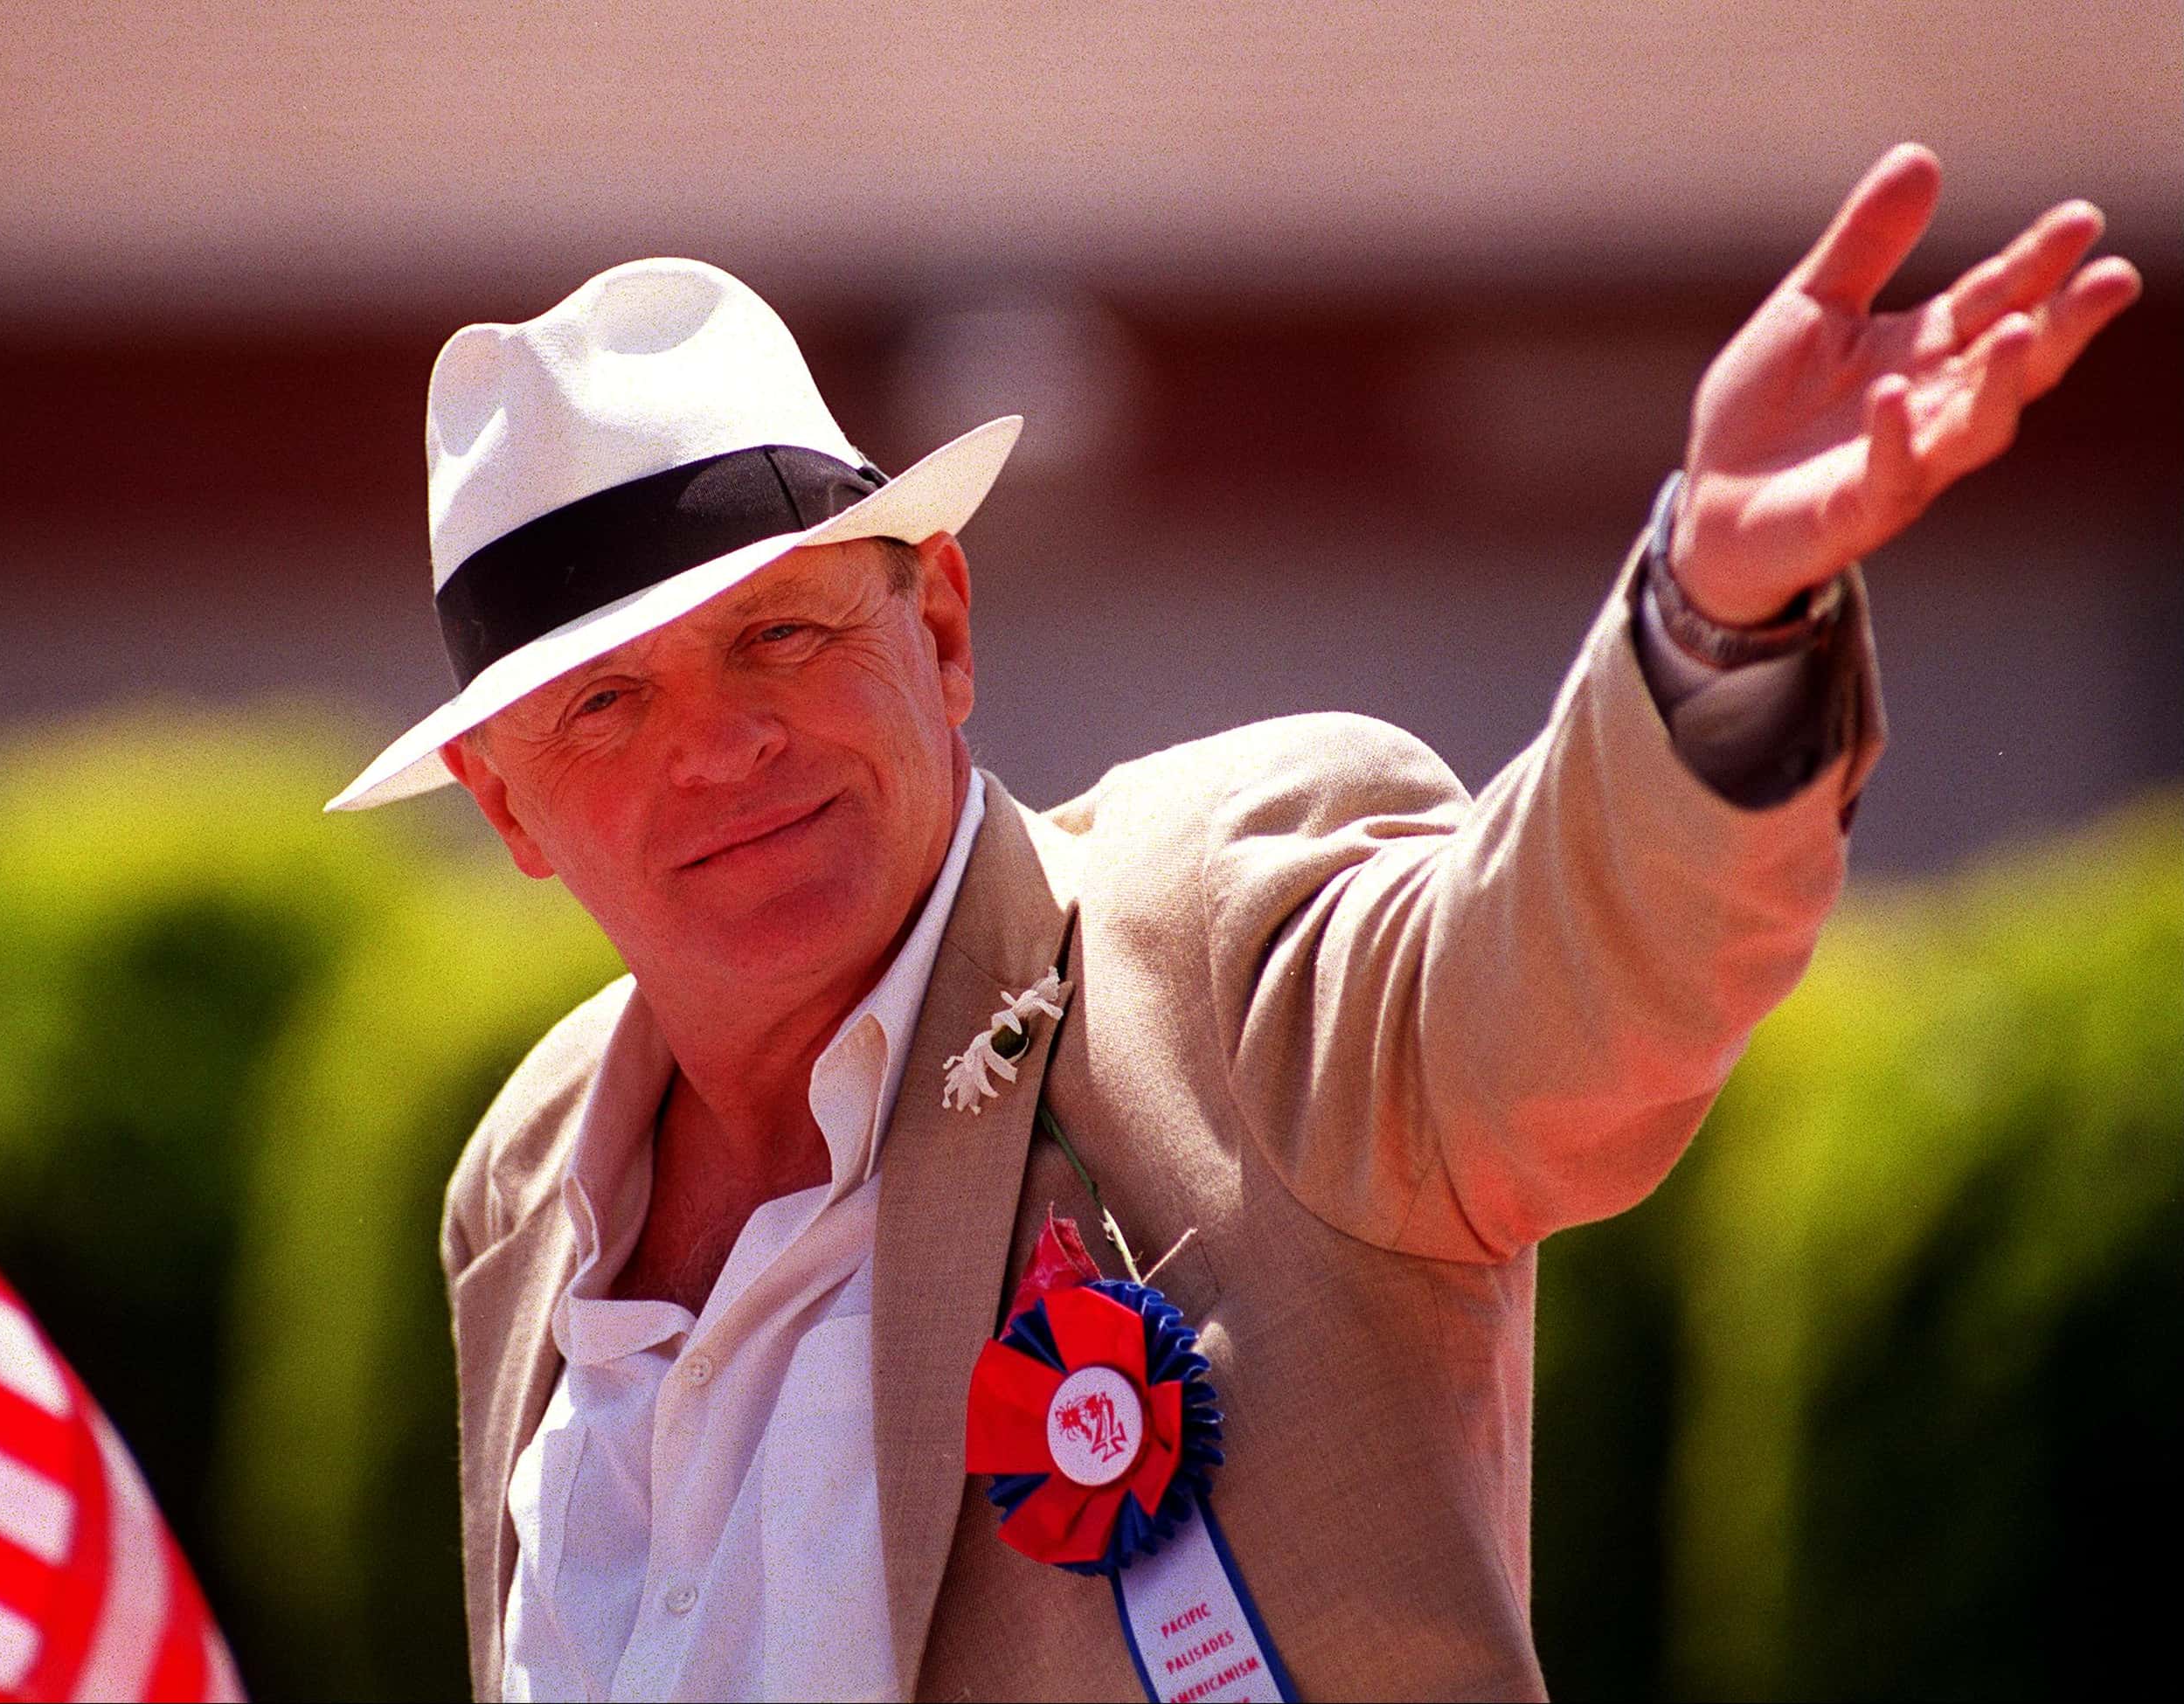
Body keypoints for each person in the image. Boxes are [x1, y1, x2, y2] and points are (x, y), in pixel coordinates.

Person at [324, 143, 2138, 1701]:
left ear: (939, 631)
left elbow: (1559, 997)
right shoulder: (523, 1181)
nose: (721, 749)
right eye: (604, 709)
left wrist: (1715, 619)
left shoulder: (1206, 932)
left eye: (781, 634)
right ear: (508, 810)